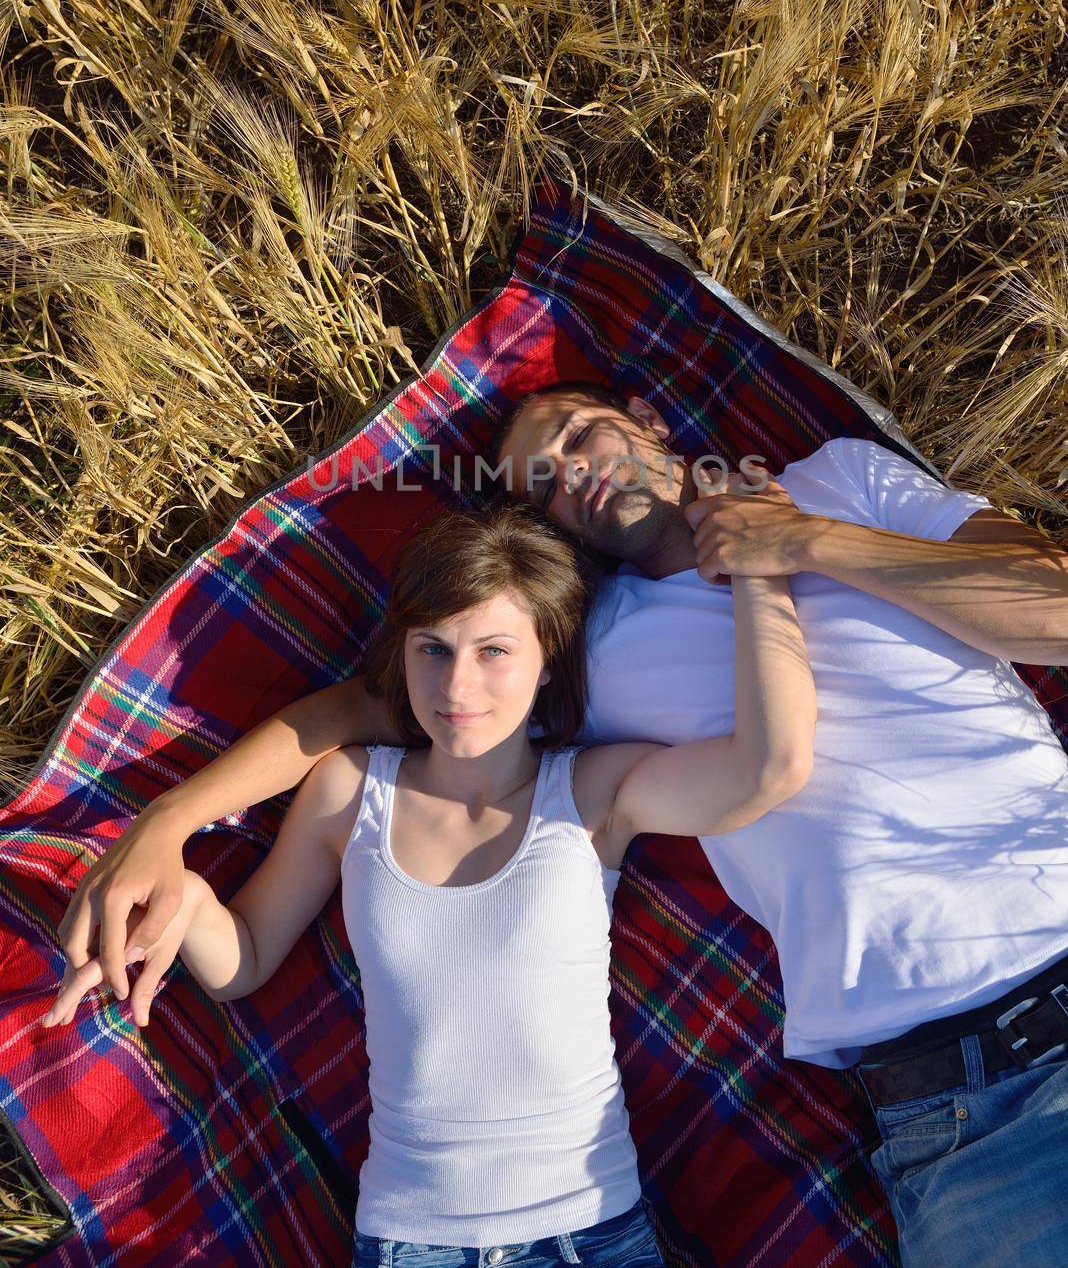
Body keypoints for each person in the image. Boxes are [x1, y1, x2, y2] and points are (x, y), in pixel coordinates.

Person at [53, 378, 1068, 1267]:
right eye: (539, 483)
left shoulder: (841, 479)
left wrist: (801, 540)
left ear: (650, 420)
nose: (568, 475)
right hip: (959, 1113)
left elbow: (1055, 612)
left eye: (578, 436)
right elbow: (357, 711)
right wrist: (170, 821)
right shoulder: (584, 646)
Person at [44, 490, 818, 1266]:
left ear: (549, 660)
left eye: (494, 651)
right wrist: (188, 900)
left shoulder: (593, 793)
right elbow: (242, 962)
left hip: (593, 1231)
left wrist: (760, 568)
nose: (455, 688)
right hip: (412, 1243)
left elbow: (769, 767)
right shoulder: (351, 791)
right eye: (433, 649)